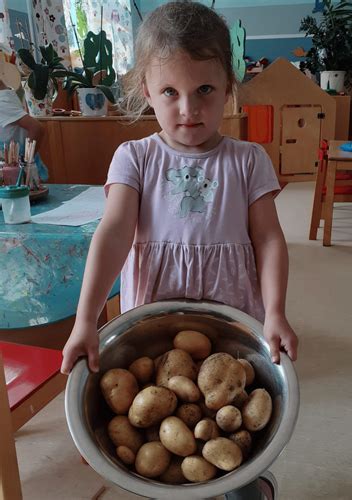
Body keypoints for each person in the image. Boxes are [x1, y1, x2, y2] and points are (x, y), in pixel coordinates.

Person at [61, 2, 297, 496]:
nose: (188, 109)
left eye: (204, 90)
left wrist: (275, 311)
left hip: (232, 321)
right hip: (154, 323)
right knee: (163, 435)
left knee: (232, 422)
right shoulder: (135, 157)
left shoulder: (249, 160)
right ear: (146, 90)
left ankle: (244, 484)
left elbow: (270, 238)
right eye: (170, 92)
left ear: (229, 89)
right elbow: (114, 232)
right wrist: (86, 319)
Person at [0, 54, 48, 180]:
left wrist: (25, 162)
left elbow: (37, 128)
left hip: (20, 175)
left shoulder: (2, 103)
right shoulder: (7, 95)